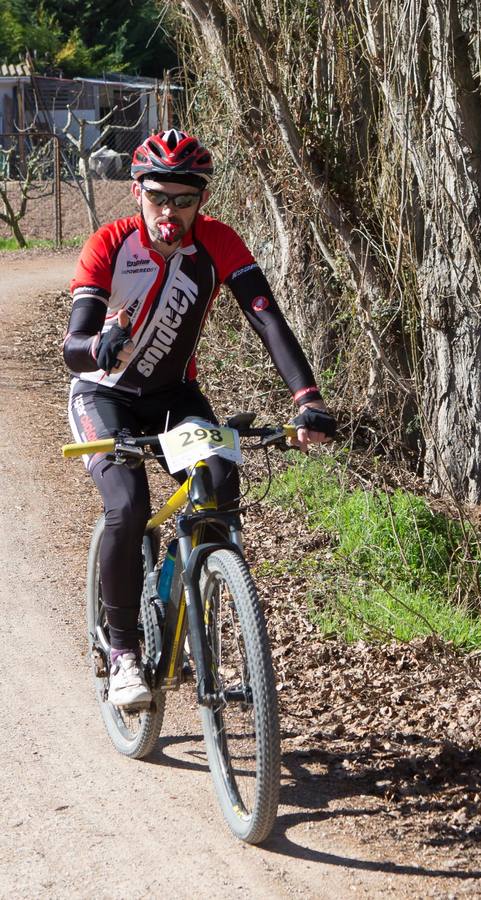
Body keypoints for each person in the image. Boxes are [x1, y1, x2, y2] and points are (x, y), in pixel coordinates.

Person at [63, 129, 335, 708]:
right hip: (102, 396)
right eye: (159, 197)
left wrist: (306, 398)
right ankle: (123, 654)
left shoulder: (217, 242)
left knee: (217, 478)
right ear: (138, 192)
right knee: (128, 505)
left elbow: (267, 318)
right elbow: (73, 345)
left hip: (173, 397)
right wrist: (98, 347)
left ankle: (189, 602)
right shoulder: (110, 244)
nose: (171, 212)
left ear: (201, 200)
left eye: (185, 200)